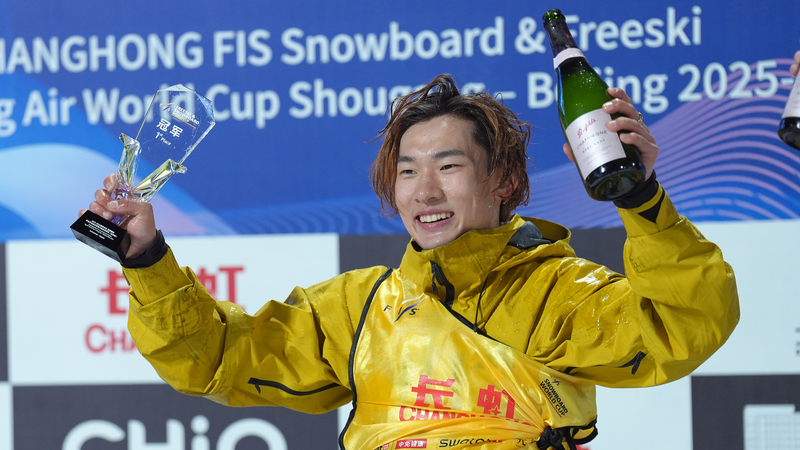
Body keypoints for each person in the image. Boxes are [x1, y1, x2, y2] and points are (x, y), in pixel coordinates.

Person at [82, 70, 746, 449]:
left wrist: (639, 197)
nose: (424, 192)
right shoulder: (358, 306)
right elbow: (219, 359)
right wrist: (148, 261)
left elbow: (682, 324)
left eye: (449, 167)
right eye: (406, 172)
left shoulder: (556, 292)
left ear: (505, 184)